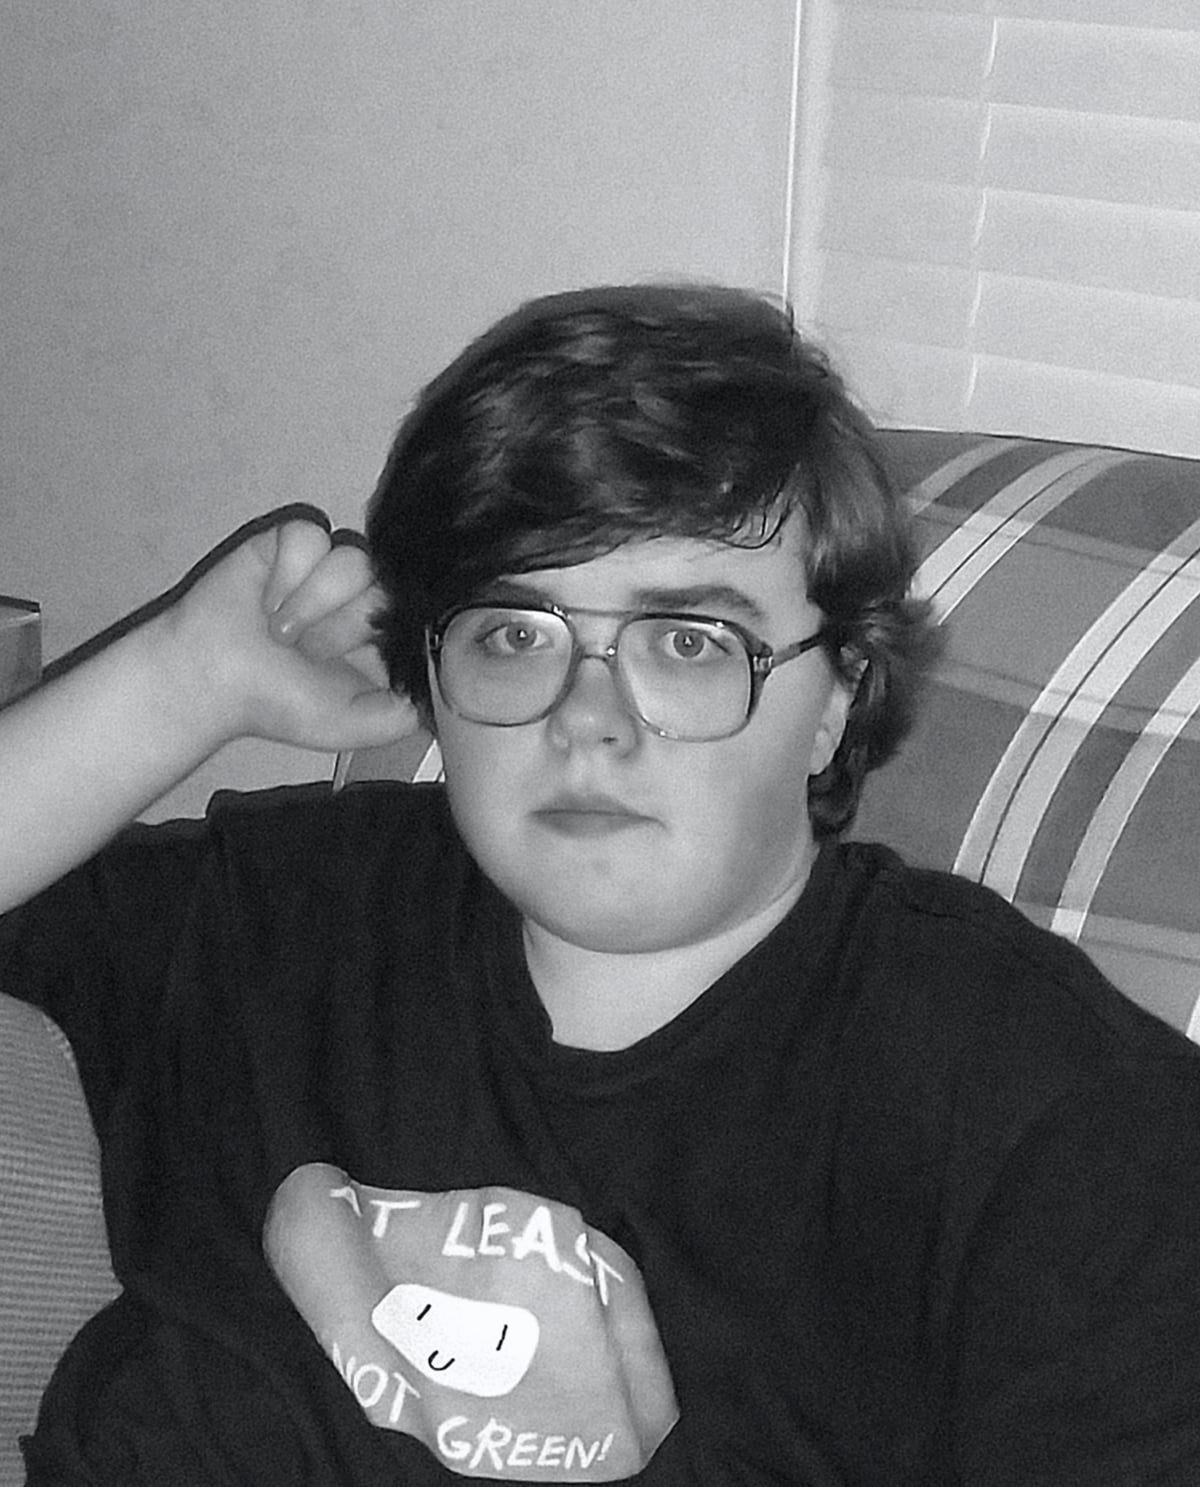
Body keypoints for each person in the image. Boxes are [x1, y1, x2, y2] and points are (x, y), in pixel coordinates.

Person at [2, 284, 1199, 1486]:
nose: (587, 719)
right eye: (515, 632)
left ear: (838, 696)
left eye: (687, 641)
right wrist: (183, 683)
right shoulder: (287, 915)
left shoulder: (1043, 1115)